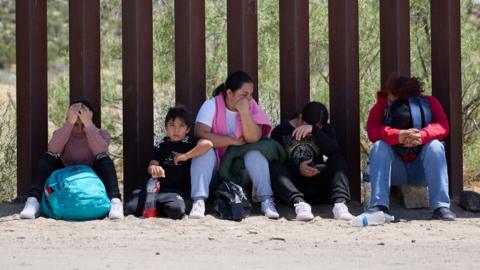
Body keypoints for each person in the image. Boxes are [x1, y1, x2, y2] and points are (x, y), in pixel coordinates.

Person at [189, 70, 279, 219]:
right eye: (244, 94)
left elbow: (254, 138)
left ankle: (266, 200)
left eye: (251, 94)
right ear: (229, 93)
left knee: (255, 153)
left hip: (238, 171)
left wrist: (244, 113)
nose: (249, 99)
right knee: (203, 149)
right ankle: (199, 201)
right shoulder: (211, 105)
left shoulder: (251, 107)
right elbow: (201, 133)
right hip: (214, 170)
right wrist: (231, 140)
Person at [366, 75, 456, 220]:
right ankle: (379, 206)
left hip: (421, 169)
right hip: (395, 169)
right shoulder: (381, 105)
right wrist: (397, 135)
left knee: (435, 146)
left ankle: (441, 207)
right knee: (379, 146)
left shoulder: (430, 102)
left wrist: (422, 135)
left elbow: (442, 126)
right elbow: (373, 131)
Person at [20, 100, 124, 219]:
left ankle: (115, 201)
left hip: (91, 174)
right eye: (76, 125)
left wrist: (89, 125)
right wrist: (69, 123)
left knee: (103, 157)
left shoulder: (101, 134)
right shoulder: (63, 133)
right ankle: (33, 201)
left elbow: (100, 150)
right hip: (66, 172)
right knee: (49, 156)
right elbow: (54, 148)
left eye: (83, 125)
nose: (79, 129)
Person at [270, 102, 354, 221]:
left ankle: (340, 204)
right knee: (274, 166)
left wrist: (315, 130)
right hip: (295, 186)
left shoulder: (323, 129)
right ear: (300, 117)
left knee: (338, 159)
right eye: (308, 125)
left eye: (318, 126)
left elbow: (333, 150)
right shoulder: (281, 131)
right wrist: (298, 168)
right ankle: (299, 204)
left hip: (318, 184)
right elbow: (278, 162)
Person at [124, 107, 213, 219]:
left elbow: (208, 144)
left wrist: (185, 156)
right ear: (166, 127)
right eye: (172, 125)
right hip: (157, 190)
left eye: (181, 126)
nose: (176, 130)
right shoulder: (162, 145)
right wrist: (154, 169)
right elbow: (152, 163)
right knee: (130, 208)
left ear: (187, 129)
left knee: (176, 211)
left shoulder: (190, 142)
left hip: (176, 192)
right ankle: (156, 205)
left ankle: (160, 206)